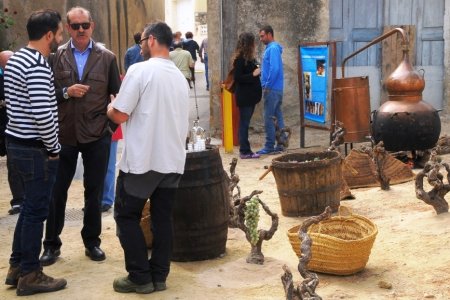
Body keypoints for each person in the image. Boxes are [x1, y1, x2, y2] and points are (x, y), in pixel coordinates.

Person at [107, 22, 189, 294]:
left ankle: (140, 276)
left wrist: (110, 107)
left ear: (151, 40)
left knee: (126, 215)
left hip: (144, 160)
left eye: (142, 40)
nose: (141, 44)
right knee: (162, 219)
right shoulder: (179, 76)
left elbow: (120, 114)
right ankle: (159, 276)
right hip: (172, 160)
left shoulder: (139, 70)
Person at [40, 6, 121, 266]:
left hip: (97, 135)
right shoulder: (55, 57)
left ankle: (92, 241)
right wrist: (66, 92)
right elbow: (47, 95)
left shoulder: (107, 58)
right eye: (75, 26)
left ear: (92, 25)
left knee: (94, 191)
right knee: (56, 192)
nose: (81, 30)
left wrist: (108, 129)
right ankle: (51, 245)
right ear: (69, 28)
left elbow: (116, 96)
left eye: (84, 25)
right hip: (64, 134)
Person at [3, 9, 67, 296]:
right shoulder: (38, 65)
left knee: (28, 208)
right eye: (60, 33)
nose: (61, 39)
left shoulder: (16, 58)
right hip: (34, 148)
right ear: (49, 34)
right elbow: (43, 114)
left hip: (17, 143)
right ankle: (30, 273)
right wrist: (54, 148)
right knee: (36, 211)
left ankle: (18, 266)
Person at [0, 50, 25, 215]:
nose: (9, 66)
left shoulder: (21, 74)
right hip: (5, 127)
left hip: (19, 128)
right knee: (13, 165)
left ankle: (22, 200)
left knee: (18, 164)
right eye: (5, 63)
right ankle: (18, 200)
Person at [231, 32, 262, 159]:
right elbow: (238, 77)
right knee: (244, 124)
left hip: (250, 97)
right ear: (249, 44)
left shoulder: (248, 59)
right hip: (245, 97)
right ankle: (244, 151)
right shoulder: (240, 60)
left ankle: (246, 150)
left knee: (245, 123)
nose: (255, 45)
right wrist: (253, 75)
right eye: (253, 42)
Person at [256, 25, 286, 155]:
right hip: (276, 88)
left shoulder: (272, 48)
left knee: (268, 117)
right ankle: (281, 143)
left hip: (272, 89)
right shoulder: (272, 49)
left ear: (269, 34)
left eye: (262, 36)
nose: (261, 39)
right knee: (277, 116)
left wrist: (267, 85)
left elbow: (275, 69)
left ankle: (269, 146)